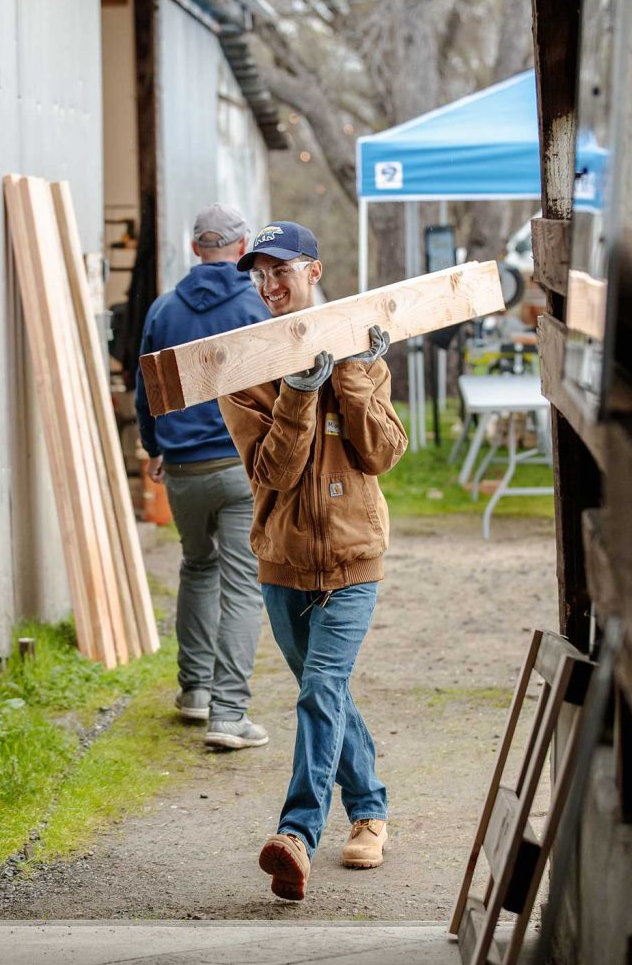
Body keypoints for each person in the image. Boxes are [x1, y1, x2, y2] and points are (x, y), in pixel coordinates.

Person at [219, 221, 408, 900]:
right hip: (283, 566)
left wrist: (353, 377)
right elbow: (272, 473)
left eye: (282, 271)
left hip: (355, 558)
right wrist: (298, 393)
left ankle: (296, 833)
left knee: (320, 691)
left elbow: (381, 454)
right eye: (259, 275)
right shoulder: (241, 372)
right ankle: (370, 812)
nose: (270, 285)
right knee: (323, 695)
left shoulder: (364, 353)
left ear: (314, 272)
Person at [135, 203, 271, 751]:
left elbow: (146, 390)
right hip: (239, 467)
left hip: (184, 469)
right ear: (241, 249)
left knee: (197, 567)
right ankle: (229, 712)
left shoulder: (163, 310)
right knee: (242, 583)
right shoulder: (256, 305)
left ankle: (193, 690)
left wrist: (155, 448)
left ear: (195, 248)